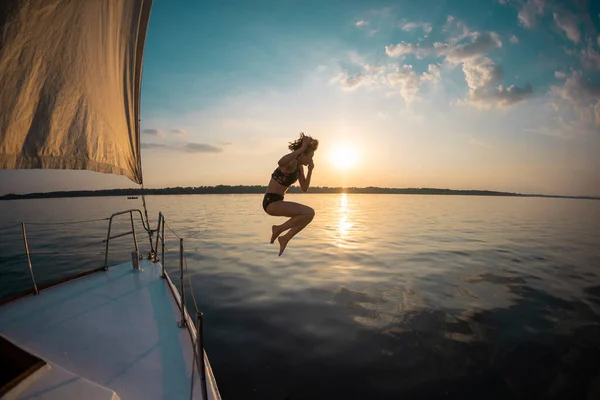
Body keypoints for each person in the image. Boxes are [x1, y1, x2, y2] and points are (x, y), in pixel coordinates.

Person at [263, 132, 319, 256]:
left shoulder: (299, 167)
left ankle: (284, 238)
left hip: (278, 201)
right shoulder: (291, 162)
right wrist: (302, 148)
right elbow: (280, 162)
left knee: (308, 215)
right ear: (303, 154)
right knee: (309, 212)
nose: (311, 159)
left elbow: (304, 188)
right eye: (310, 156)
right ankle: (278, 230)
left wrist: (310, 170)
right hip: (271, 202)